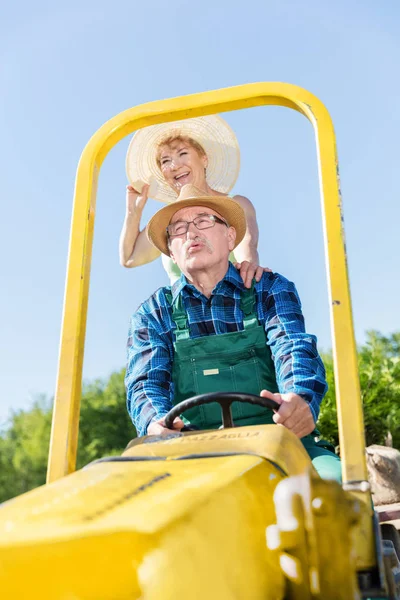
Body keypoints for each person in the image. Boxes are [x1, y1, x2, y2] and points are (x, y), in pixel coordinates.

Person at [125, 184, 342, 482]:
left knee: (337, 488)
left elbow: (293, 348)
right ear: (171, 253)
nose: (190, 233)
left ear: (230, 237)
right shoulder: (153, 313)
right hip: (192, 453)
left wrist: (299, 398)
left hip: (283, 441)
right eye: (178, 229)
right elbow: (146, 383)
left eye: (203, 220)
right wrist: (154, 423)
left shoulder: (270, 289)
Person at [120, 114, 269, 288]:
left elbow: (247, 247)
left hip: (232, 307)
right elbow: (130, 258)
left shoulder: (235, 205)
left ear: (204, 159)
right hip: (183, 312)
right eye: (165, 161)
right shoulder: (167, 219)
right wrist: (133, 212)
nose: (174, 166)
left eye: (182, 153)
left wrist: (248, 266)